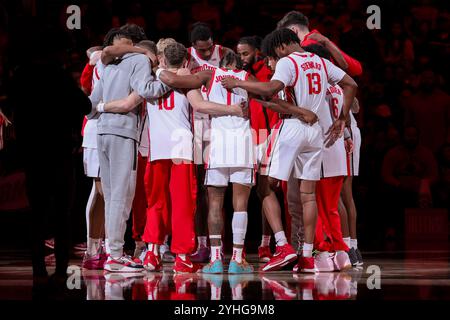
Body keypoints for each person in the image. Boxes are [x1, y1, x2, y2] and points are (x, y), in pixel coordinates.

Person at [101, 43, 248, 273]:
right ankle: (181, 257)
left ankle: (152, 253)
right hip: (181, 151)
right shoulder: (185, 82)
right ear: (185, 61)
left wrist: (99, 106)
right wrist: (233, 110)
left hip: (157, 150)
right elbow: (201, 105)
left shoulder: (148, 83)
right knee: (182, 204)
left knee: (156, 203)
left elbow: (127, 103)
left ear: (163, 60)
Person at [222, 28, 357, 273]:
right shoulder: (320, 62)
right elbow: (351, 83)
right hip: (315, 131)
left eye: (274, 52)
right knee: (309, 196)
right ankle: (309, 256)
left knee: (265, 186)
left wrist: (237, 83)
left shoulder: (288, 61)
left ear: (282, 46)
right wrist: (342, 118)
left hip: (292, 127)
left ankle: (283, 246)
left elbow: (271, 89)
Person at [11, 26, 91, 283]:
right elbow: (84, 105)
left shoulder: (20, 75)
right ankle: (60, 270)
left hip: (33, 152)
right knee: (62, 213)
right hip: (58, 152)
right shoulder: (59, 75)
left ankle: (37, 268)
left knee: (37, 211)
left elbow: (15, 110)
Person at [88, 25, 171, 272]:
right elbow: (147, 90)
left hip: (102, 132)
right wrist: (169, 79)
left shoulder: (111, 65)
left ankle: (112, 252)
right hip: (122, 132)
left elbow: (91, 107)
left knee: (113, 195)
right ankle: (114, 255)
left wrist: (103, 108)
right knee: (121, 198)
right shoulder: (139, 60)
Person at [184, 22, 232, 263]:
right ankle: (201, 243)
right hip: (197, 124)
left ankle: (218, 242)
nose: (205, 54)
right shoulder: (185, 55)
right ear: (193, 47)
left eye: (208, 49)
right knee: (198, 188)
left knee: (216, 188)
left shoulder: (224, 53)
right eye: (201, 50)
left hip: (221, 124)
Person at [237, 36, 278, 262]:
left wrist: (245, 80)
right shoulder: (237, 72)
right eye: (239, 54)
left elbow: (266, 92)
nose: (242, 58)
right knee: (240, 192)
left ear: (256, 52)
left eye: (245, 54)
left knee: (266, 190)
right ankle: (238, 246)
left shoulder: (268, 68)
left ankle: (265, 244)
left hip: (266, 135)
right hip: (245, 136)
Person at [276, 11, 363, 77]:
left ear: (293, 30)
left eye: (285, 36)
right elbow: (357, 70)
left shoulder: (306, 47)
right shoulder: (324, 41)